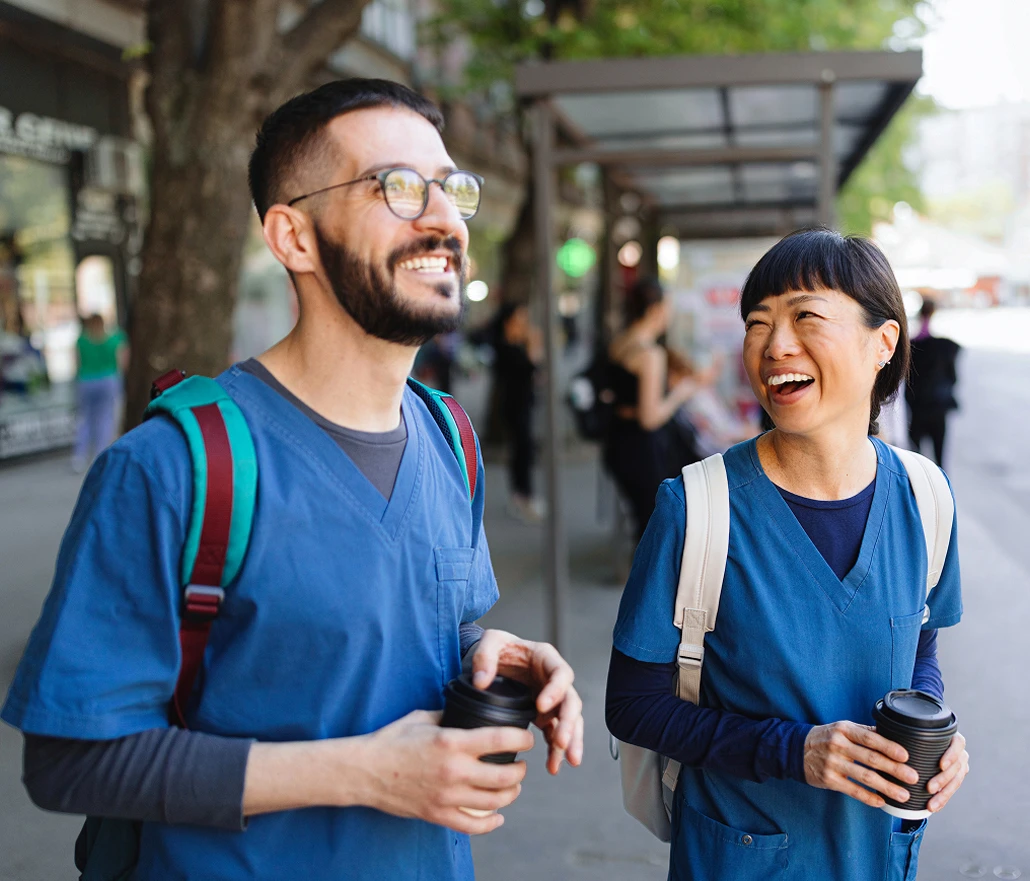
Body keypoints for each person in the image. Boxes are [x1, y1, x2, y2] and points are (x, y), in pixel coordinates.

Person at [2, 78, 583, 881]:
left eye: (452, 190)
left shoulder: (450, 437)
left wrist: (490, 651)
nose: (444, 218)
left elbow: (400, 625)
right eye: (398, 187)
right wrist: (365, 772)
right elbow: (69, 759)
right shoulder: (174, 466)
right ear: (293, 236)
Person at [606, 229, 968, 880]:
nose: (774, 345)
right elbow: (632, 704)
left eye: (805, 317)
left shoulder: (926, 498)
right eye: (757, 323)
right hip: (739, 859)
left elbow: (920, 649)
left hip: (876, 855)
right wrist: (791, 750)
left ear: (883, 343)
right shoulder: (697, 508)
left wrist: (933, 731)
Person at [603, 277, 708, 541]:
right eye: (667, 307)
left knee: (642, 524)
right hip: (643, 450)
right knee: (654, 531)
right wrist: (680, 393)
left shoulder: (620, 343)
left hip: (617, 441)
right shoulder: (651, 354)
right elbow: (649, 418)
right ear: (654, 310)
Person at [491, 302, 544, 522]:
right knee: (522, 450)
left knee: (524, 450)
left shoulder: (515, 344)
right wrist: (534, 345)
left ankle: (523, 494)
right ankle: (522, 496)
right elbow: (530, 367)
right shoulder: (505, 347)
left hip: (524, 404)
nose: (524, 323)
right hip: (515, 406)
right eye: (520, 318)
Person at [905, 299, 960, 466]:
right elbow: (953, 378)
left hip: (918, 408)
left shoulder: (912, 346)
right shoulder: (946, 346)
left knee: (916, 462)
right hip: (937, 407)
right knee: (939, 458)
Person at [71, 313, 128, 472]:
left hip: (86, 380)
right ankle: (99, 455)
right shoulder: (115, 339)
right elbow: (122, 362)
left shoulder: (81, 340)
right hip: (108, 379)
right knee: (105, 418)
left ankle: (79, 456)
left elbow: (77, 362)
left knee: (85, 418)